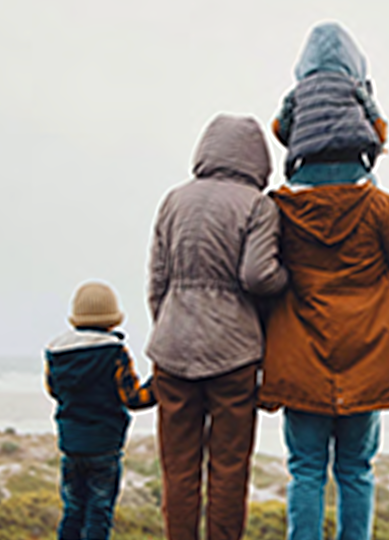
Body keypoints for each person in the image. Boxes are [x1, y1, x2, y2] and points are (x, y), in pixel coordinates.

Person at [259, 24, 389, 540]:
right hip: (367, 357)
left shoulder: (280, 210)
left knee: (306, 471)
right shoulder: (378, 205)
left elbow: (263, 277)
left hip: (301, 355)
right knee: (356, 470)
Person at [146, 114, 288, 540]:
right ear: (258, 161)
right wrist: (286, 281)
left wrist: (170, 321)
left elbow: (157, 281)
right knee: (228, 468)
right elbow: (258, 276)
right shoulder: (258, 205)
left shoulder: (174, 200)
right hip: (234, 354)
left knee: (178, 467)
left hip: (171, 348)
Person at [44, 280, 157, 540]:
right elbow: (133, 397)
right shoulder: (114, 352)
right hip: (105, 447)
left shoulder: (56, 352)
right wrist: (158, 385)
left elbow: (53, 390)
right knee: (99, 510)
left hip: (71, 446)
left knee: (73, 508)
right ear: (112, 320)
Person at [271, 21, 388, 184]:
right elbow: (377, 122)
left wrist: (300, 138)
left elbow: (279, 126)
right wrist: (378, 143)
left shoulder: (297, 93)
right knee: (371, 199)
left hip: (308, 166)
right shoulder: (353, 87)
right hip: (351, 163)